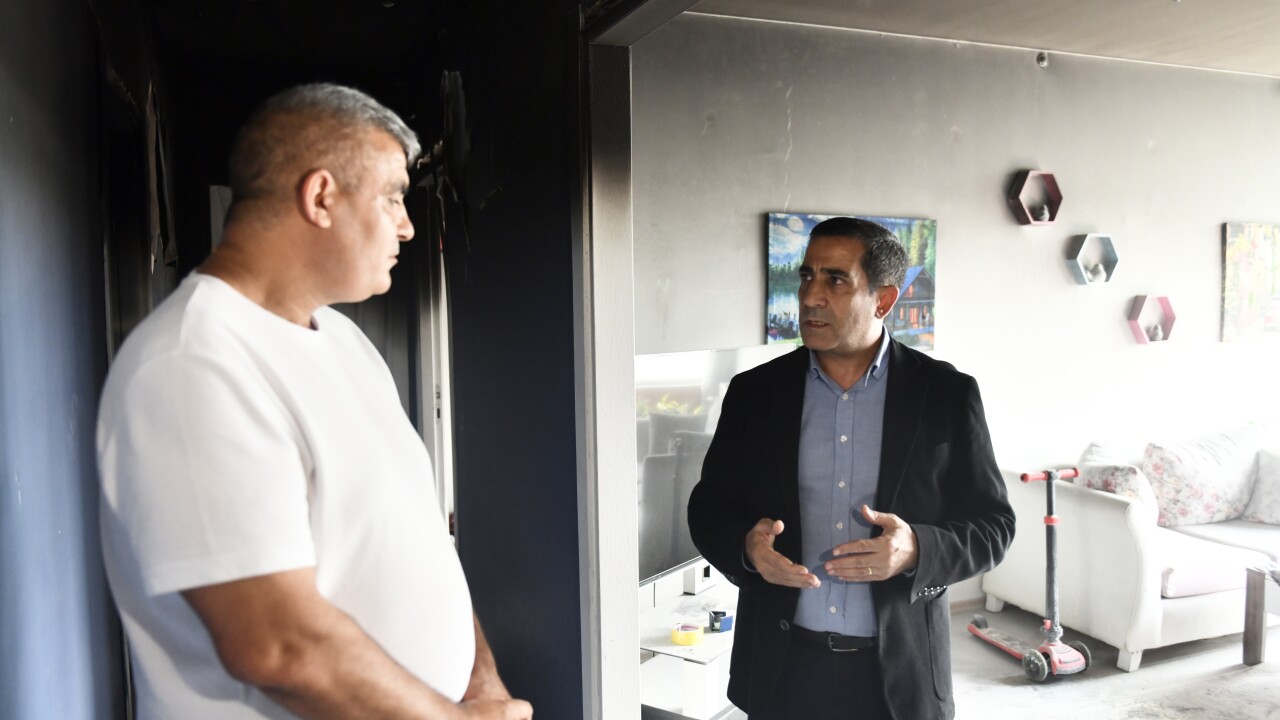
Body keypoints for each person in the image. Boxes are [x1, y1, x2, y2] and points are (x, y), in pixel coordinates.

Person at [96, 83, 532, 720]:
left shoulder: (344, 339)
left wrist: (480, 683)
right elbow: (277, 646)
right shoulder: (191, 363)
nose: (408, 225)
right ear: (321, 197)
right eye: (393, 198)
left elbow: (422, 543)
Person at [687, 217, 1014, 720]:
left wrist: (916, 549)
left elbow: (994, 526)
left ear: (884, 300)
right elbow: (708, 508)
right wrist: (748, 548)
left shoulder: (947, 395)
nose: (810, 296)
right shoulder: (755, 393)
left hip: (897, 678)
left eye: (835, 280)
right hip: (780, 670)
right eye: (806, 276)